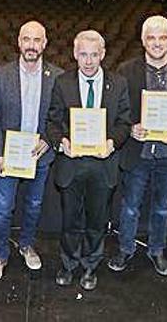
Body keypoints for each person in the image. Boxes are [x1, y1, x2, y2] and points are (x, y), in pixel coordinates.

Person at [108, 16, 167, 277]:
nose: (157, 43)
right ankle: (125, 248)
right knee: (130, 206)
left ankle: (156, 250)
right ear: (143, 40)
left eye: (162, 37)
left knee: (162, 208)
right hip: (138, 153)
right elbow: (118, 111)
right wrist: (130, 127)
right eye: (151, 37)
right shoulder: (126, 69)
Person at [47, 30, 131, 291]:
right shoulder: (62, 83)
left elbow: (124, 122)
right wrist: (62, 142)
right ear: (75, 54)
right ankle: (69, 264)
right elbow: (52, 121)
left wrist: (112, 142)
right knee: (70, 221)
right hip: (71, 164)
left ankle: (90, 266)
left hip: (102, 165)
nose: (89, 60)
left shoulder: (118, 83)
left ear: (103, 54)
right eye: (83, 54)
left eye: (94, 54)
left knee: (96, 222)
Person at [0, 21, 62, 282]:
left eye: (37, 40)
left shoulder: (58, 76)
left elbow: (60, 117)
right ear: (18, 42)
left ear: (45, 43)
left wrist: (50, 140)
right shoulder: (2, 74)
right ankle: (1, 254)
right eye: (26, 39)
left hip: (40, 155)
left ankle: (26, 244)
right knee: (3, 208)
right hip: (9, 155)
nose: (31, 45)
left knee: (34, 205)